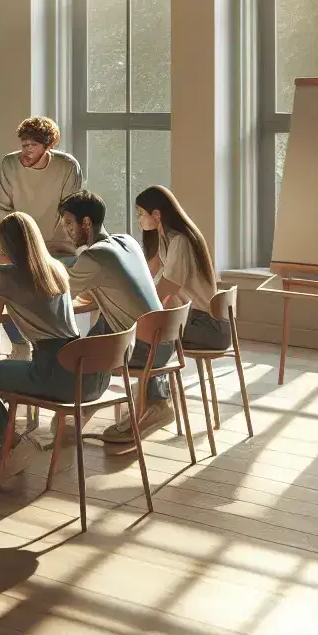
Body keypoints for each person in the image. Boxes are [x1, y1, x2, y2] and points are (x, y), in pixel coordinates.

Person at [0, 212, 87, 487]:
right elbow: (32, 299)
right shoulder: (56, 268)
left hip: (50, 372)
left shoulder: (6, 273)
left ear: (5, 245)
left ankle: (14, 445)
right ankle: (15, 446)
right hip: (84, 370)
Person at [57, 191, 175, 454]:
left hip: (146, 349)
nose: (65, 230)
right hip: (165, 339)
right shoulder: (127, 241)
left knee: (73, 352)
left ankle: (83, 406)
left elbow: (58, 295)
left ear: (86, 223)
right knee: (102, 328)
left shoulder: (94, 257)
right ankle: (90, 407)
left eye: (68, 223)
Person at [0, 117, 83, 361]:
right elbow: (1, 208)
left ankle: (54, 351)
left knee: (52, 300)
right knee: (11, 290)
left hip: (59, 247)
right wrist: (1, 249)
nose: (27, 150)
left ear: (47, 146)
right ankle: (19, 345)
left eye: (33, 145)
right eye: (24, 144)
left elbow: (70, 210)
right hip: (19, 246)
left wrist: (50, 248)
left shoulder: (67, 166)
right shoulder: (10, 164)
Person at [136, 185, 230, 351]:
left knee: (147, 331)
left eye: (141, 214)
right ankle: (155, 375)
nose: (140, 220)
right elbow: (147, 275)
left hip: (208, 326)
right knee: (149, 326)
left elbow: (164, 291)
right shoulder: (166, 240)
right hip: (199, 320)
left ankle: (154, 375)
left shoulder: (180, 242)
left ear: (157, 215)